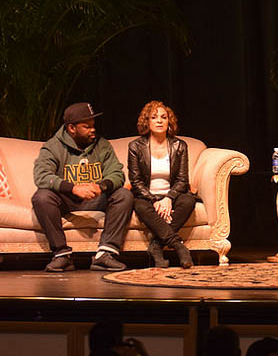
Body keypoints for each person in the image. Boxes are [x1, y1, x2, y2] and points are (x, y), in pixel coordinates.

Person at [32, 102, 133, 272]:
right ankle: (62, 255)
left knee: (124, 195)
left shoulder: (102, 145)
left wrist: (101, 186)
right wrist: (73, 188)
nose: (93, 130)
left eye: (93, 125)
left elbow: (117, 174)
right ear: (71, 128)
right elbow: (42, 176)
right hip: (67, 200)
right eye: (87, 127)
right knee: (41, 197)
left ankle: (105, 254)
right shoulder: (53, 146)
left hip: (96, 198)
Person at [127, 100, 195, 268]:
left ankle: (156, 246)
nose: (159, 121)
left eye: (164, 117)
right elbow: (136, 181)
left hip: (172, 196)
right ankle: (178, 246)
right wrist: (154, 200)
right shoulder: (135, 146)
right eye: (154, 117)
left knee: (188, 201)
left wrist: (168, 198)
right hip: (146, 197)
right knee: (140, 206)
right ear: (147, 122)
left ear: (169, 122)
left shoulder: (179, 146)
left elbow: (182, 180)